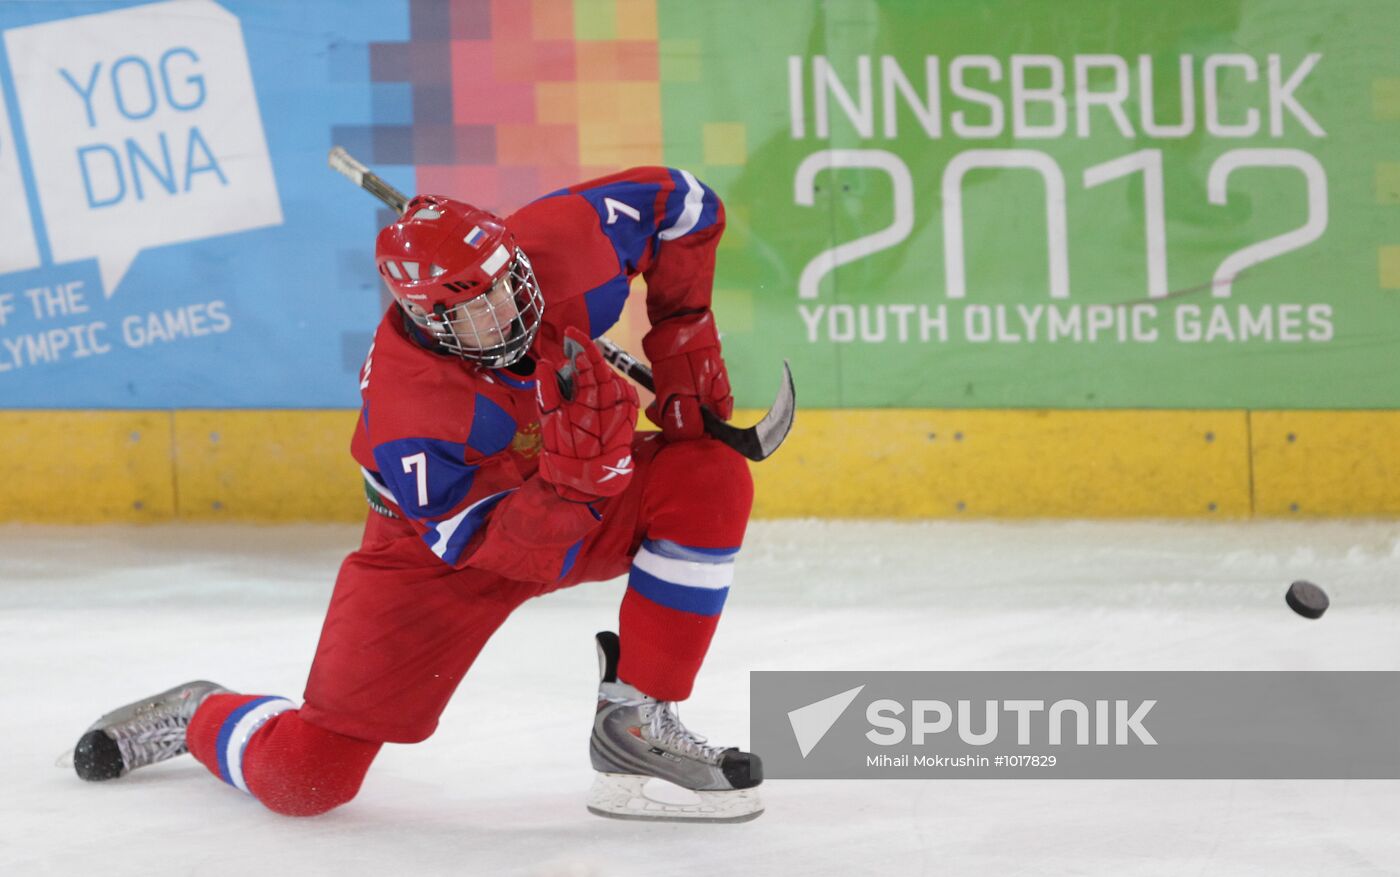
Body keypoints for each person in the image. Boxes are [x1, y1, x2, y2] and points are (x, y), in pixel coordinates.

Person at [72, 167, 764, 823]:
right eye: (475, 310)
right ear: (430, 321)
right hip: (436, 556)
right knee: (306, 780)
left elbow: (685, 205)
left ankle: (637, 723)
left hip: (565, 488)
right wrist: (578, 488)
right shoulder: (414, 408)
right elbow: (491, 550)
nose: (506, 310)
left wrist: (684, 344)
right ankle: (201, 711)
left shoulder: (561, 244)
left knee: (708, 475)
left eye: (505, 284)